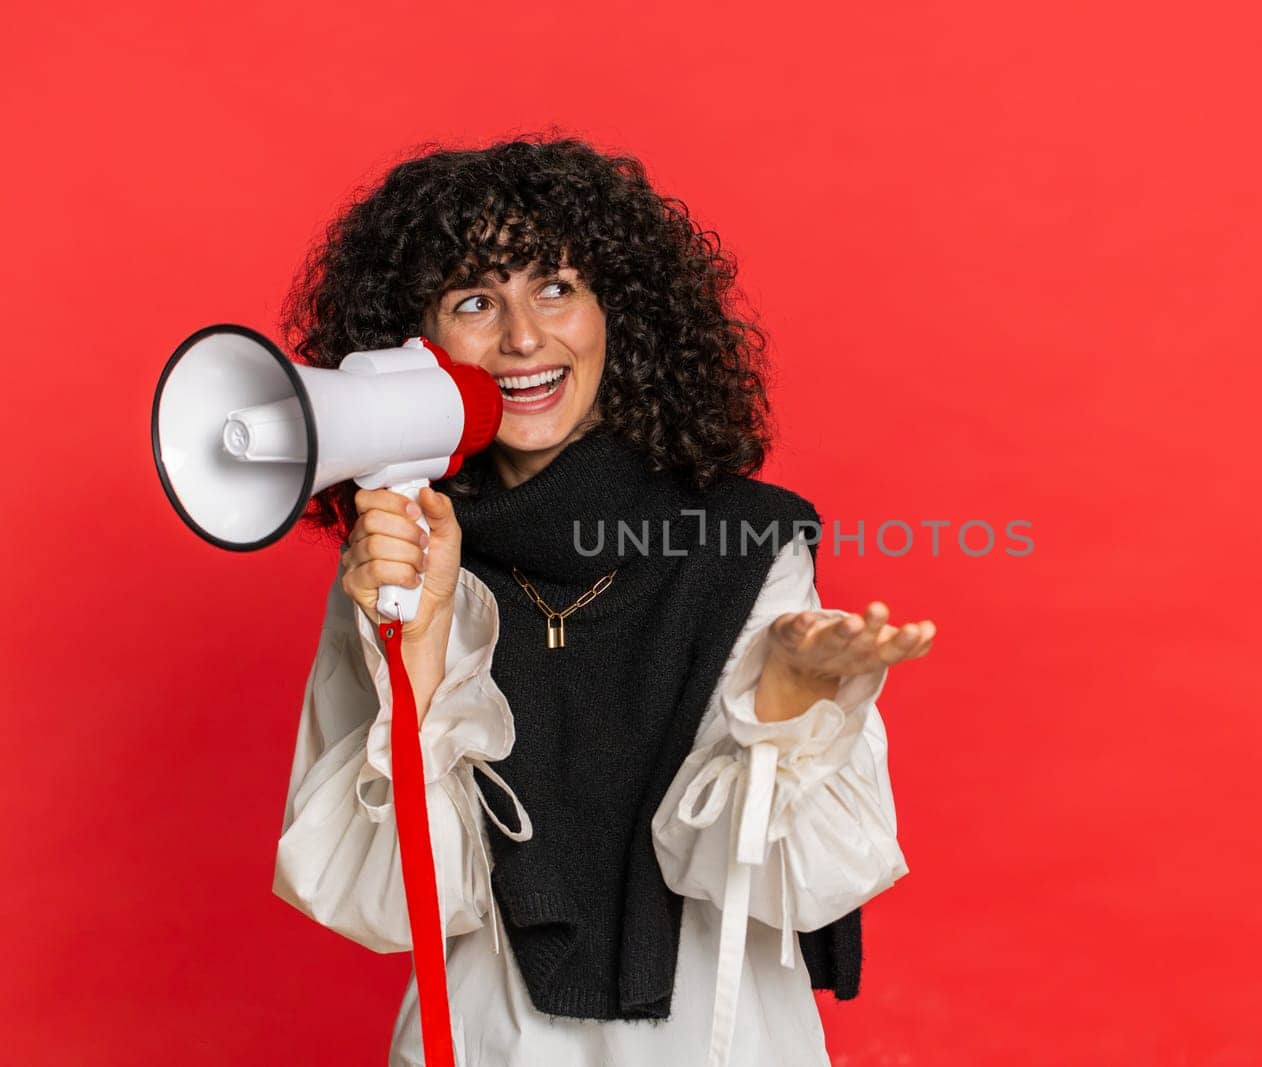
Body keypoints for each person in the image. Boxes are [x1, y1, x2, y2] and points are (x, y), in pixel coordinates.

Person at [270, 134, 936, 1066]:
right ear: (415, 345)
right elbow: (387, 901)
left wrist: (784, 698)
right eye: (474, 300)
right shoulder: (401, 563)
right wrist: (414, 655)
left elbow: (788, 882)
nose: (522, 338)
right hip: (485, 1041)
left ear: (617, 310)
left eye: (555, 287)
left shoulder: (747, 542)